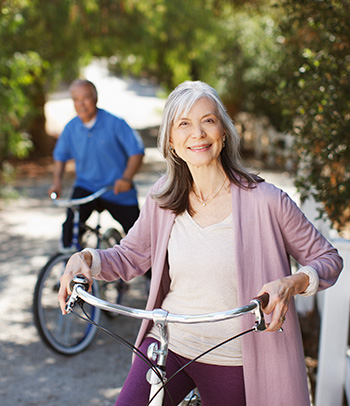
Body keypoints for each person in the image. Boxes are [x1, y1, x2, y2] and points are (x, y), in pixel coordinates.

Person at [58, 81, 343, 406]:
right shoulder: (162, 197)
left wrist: (291, 283)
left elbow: (328, 258)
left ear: (223, 132)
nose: (198, 133)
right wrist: (86, 258)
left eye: (208, 120)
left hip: (234, 356)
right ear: (171, 140)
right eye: (184, 123)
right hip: (168, 343)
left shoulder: (266, 200)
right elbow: (130, 256)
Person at [48, 79, 145, 248]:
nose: (81, 104)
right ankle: (69, 267)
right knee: (69, 229)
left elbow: (136, 152)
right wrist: (57, 182)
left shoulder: (115, 123)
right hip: (87, 187)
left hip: (115, 188)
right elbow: (60, 156)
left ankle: (153, 273)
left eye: (85, 98)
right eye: (76, 99)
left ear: (95, 98)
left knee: (140, 238)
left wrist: (126, 178)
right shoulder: (71, 128)